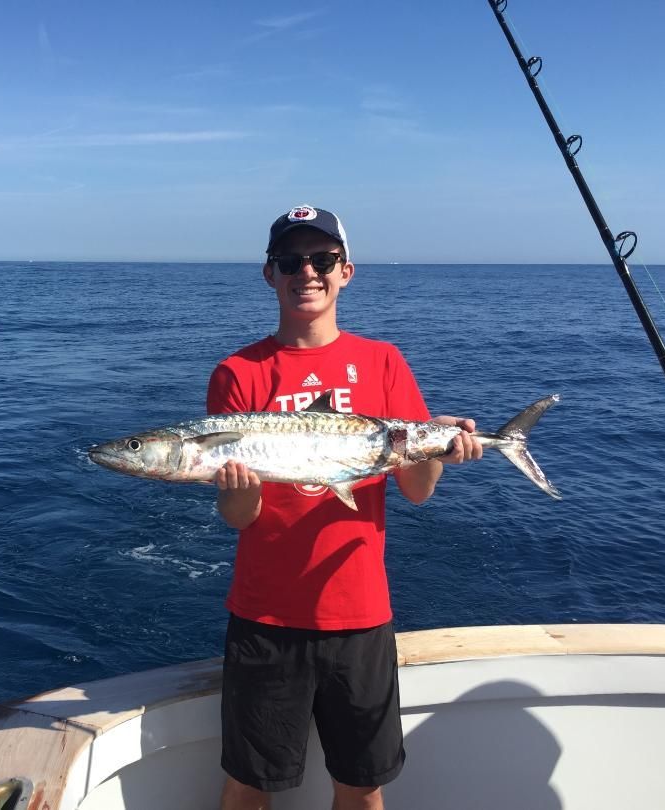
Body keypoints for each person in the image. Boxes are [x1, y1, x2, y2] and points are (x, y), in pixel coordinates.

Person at [206, 205, 483, 810]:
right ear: (270, 273)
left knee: (361, 787)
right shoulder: (238, 372)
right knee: (248, 784)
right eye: (290, 260)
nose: (307, 272)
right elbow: (240, 516)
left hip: (359, 615)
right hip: (265, 619)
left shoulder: (383, 362)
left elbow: (416, 489)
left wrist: (442, 448)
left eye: (322, 259)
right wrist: (235, 483)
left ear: (346, 271)